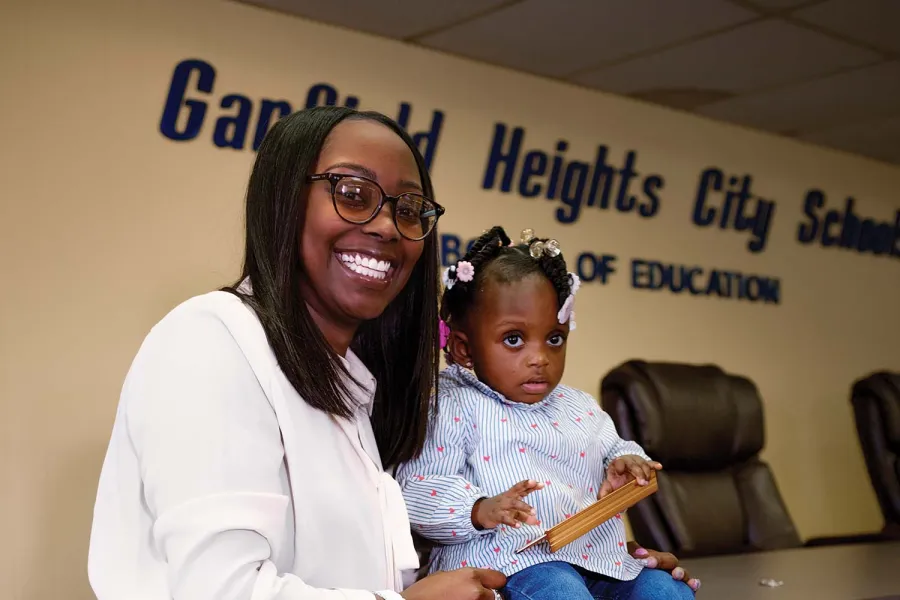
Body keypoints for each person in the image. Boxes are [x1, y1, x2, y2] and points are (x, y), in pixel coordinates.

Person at [87, 106, 696, 600]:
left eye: (408, 209)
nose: (385, 226)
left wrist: (603, 572)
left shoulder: (353, 385)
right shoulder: (209, 340)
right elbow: (216, 592)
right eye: (352, 193)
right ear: (282, 200)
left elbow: (366, 573)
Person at [396, 226, 700, 600]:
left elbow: (614, 447)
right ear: (463, 348)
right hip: (506, 565)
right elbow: (416, 490)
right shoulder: (452, 403)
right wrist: (481, 509)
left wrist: (625, 460)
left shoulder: (579, 404)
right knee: (559, 590)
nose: (539, 357)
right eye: (514, 339)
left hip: (596, 561)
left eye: (554, 338)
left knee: (664, 589)